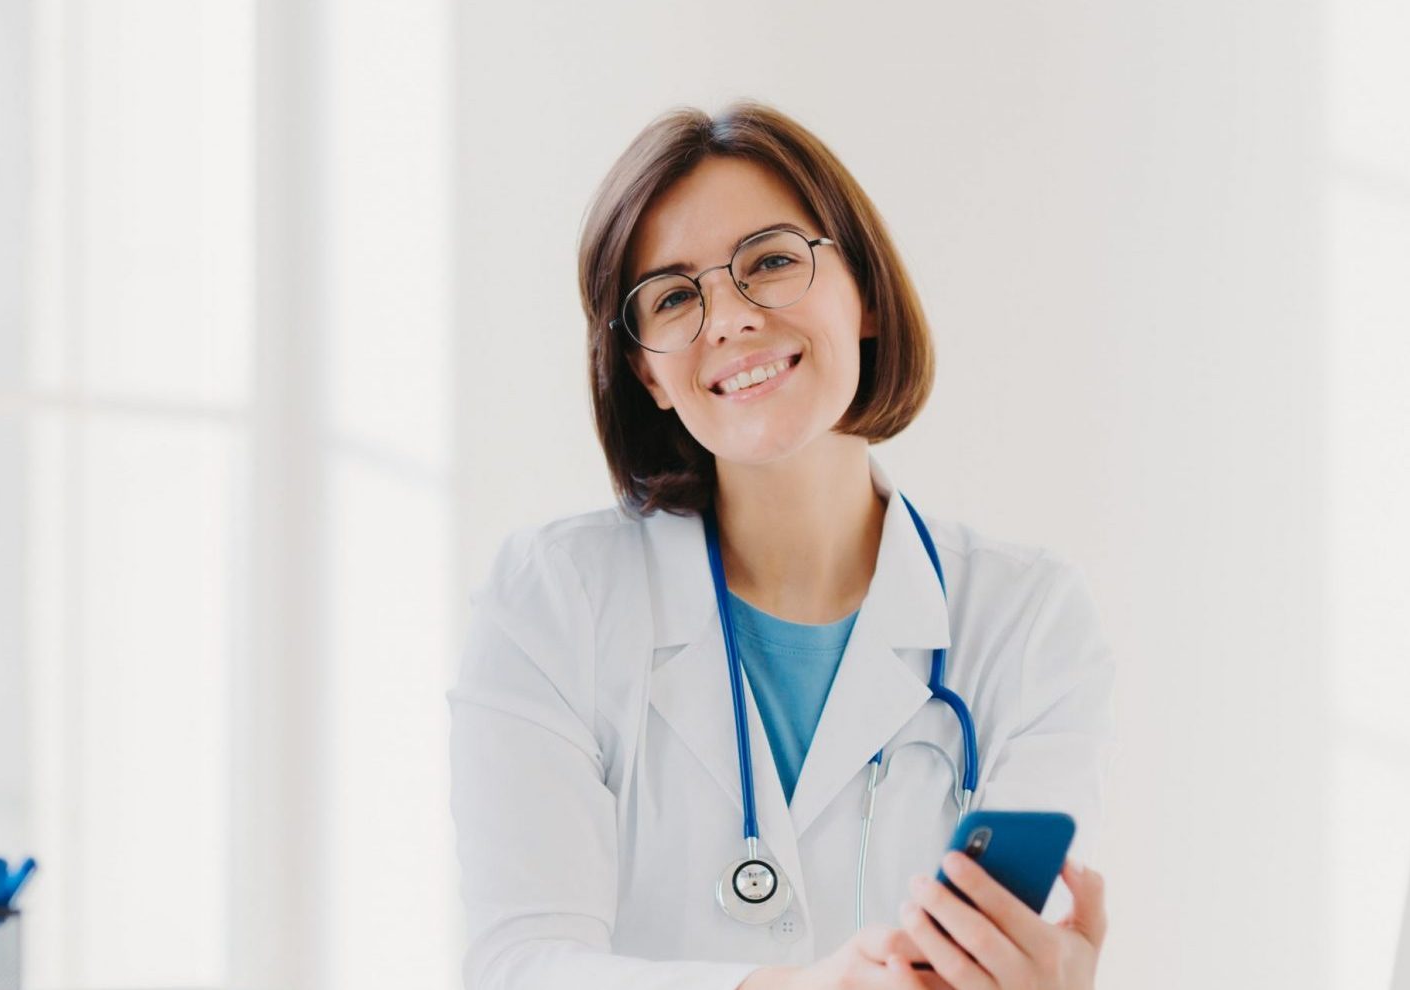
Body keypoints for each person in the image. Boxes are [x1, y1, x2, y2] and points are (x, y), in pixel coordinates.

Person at [447, 101, 1114, 990]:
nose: (727, 318)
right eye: (675, 297)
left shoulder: (1025, 620)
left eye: (769, 261)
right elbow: (518, 967)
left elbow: (1010, 953)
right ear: (645, 370)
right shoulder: (550, 601)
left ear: (866, 293)